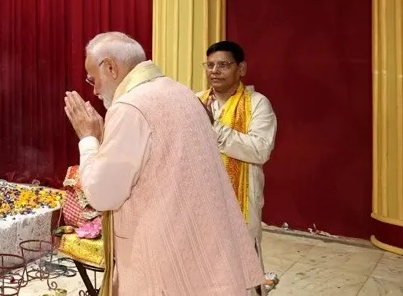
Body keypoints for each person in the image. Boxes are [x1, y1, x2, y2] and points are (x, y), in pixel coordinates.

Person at [63, 32, 263, 295]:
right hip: (198, 250)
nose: (95, 90)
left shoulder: (130, 107)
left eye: (93, 79)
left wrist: (88, 139)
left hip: (162, 264)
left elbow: (103, 195)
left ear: (110, 67)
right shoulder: (181, 92)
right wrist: (104, 139)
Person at [199, 41, 277, 264]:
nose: (215, 71)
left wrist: (213, 127)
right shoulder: (197, 101)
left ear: (241, 68)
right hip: (201, 199)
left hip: (240, 202)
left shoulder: (257, 104)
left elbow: (260, 150)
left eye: (224, 65)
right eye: (210, 65)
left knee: (241, 265)